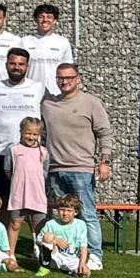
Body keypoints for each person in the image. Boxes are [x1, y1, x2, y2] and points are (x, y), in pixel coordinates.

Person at [39, 64, 112, 266]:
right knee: (61, 215)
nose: (64, 82)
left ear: (78, 79)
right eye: (60, 78)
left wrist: (104, 161)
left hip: (81, 169)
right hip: (55, 169)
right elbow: (43, 136)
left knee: (87, 214)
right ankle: (66, 253)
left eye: (69, 78)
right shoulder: (48, 105)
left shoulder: (91, 103)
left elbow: (104, 133)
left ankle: (95, 256)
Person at [0, 47, 46, 192]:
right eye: (12, 63)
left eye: (21, 64)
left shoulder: (38, 88)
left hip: (31, 152)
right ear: (6, 65)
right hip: (3, 151)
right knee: (1, 198)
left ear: (27, 67)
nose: (16, 67)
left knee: (31, 194)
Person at [4, 117, 50, 257]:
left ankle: (42, 257)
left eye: (35, 134)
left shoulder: (44, 152)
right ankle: (10, 255)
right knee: (15, 224)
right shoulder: (13, 149)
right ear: (21, 132)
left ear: (39, 134)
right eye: (28, 133)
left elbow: (45, 173)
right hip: (18, 195)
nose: (31, 137)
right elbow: (8, 170)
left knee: (40, 226)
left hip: (37, 195)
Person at [22, 3, 75, 94]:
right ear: (36, 20)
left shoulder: (62, 42)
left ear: (55, 21)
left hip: (56, 93)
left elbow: (68, 70)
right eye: (41, 17)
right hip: (31, 93)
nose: (45, 20)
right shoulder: (24, 42)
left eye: (49, 17)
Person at [35, 193, 92, 278]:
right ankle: (45, 267)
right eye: (62, 210)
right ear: (57, 210)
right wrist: (55, 241)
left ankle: (73, 270)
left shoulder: (81, 225)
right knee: (48, 236)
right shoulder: (51, 224)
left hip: (72, 258)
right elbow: (38, 240)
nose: (65, 213)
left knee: (85, 274)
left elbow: (83, 246)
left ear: (76, 212)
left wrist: (82, 264)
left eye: (69, 210)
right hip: (54, 256)